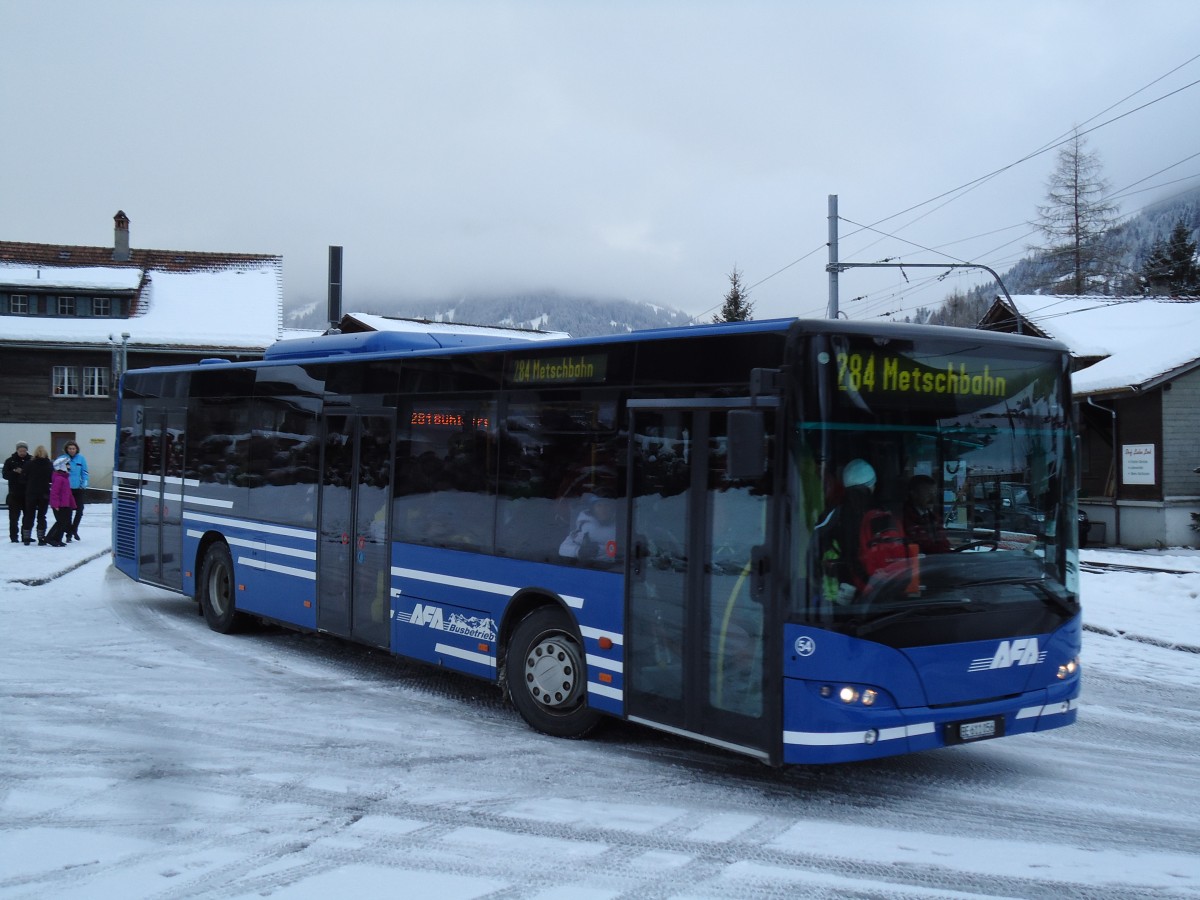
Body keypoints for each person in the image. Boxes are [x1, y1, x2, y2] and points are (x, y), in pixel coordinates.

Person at [559, 495, 619, 563]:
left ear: (612, 509)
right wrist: (580, 551)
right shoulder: (584, 527)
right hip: (590, 568)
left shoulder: (621, 528)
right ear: (592, 509)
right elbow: (563, 549)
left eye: (607, 505)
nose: (603, 509)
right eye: (599, 505)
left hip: (614, 569)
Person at [902, 473, 951, 554]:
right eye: (927, 494)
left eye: (934, 494)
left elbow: (943, 541)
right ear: (913, 494)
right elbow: (923, 546)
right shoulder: (906, 518)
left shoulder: (934, 517)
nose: (932, 498)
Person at [43, 455, 78, 547]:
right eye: (67, 464)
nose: (69, 466)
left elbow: (68, 493)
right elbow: (54, 493)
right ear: (62, 466)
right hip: (60, 505)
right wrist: (55, 505)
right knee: (60, 522)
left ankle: (58, 538)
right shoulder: (59, 479)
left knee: (64, 522)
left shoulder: (65, 478)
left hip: (65, 504)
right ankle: (50, 537)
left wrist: (72, 504)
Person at [24, 445, 53, 545]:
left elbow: (23, 478)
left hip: (31, 492)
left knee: (29, 515)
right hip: (44, 493)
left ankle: (26, 537)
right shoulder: (49, 465)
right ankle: (41, 538)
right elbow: (51, 479)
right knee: (41, 516)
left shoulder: (29, 464)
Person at [4, 440, 32, 543]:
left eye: (24, 450)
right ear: (17, 450)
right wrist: (14, 472)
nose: (22, 453)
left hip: (27, 493)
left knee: (28, 516)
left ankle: (25, 535)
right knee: (14, 518)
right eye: (20, 450)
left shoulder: (31, 460)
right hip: (14, 493)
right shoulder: (10, 461)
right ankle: (14, 536)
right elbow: (5, 475)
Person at [62, 440, 89, 542]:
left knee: (80, 510)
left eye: (73, 448)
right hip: (66, 489)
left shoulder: (81, 459)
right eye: (70, 449)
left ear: (76, 449)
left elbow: (85, 472)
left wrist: (84, 483)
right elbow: (57, 472)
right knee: (68, 512)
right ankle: (68, 534)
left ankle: (74, 529)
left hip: (78, 488)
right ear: (67, 449)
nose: (72, 450)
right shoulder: (62, 459)